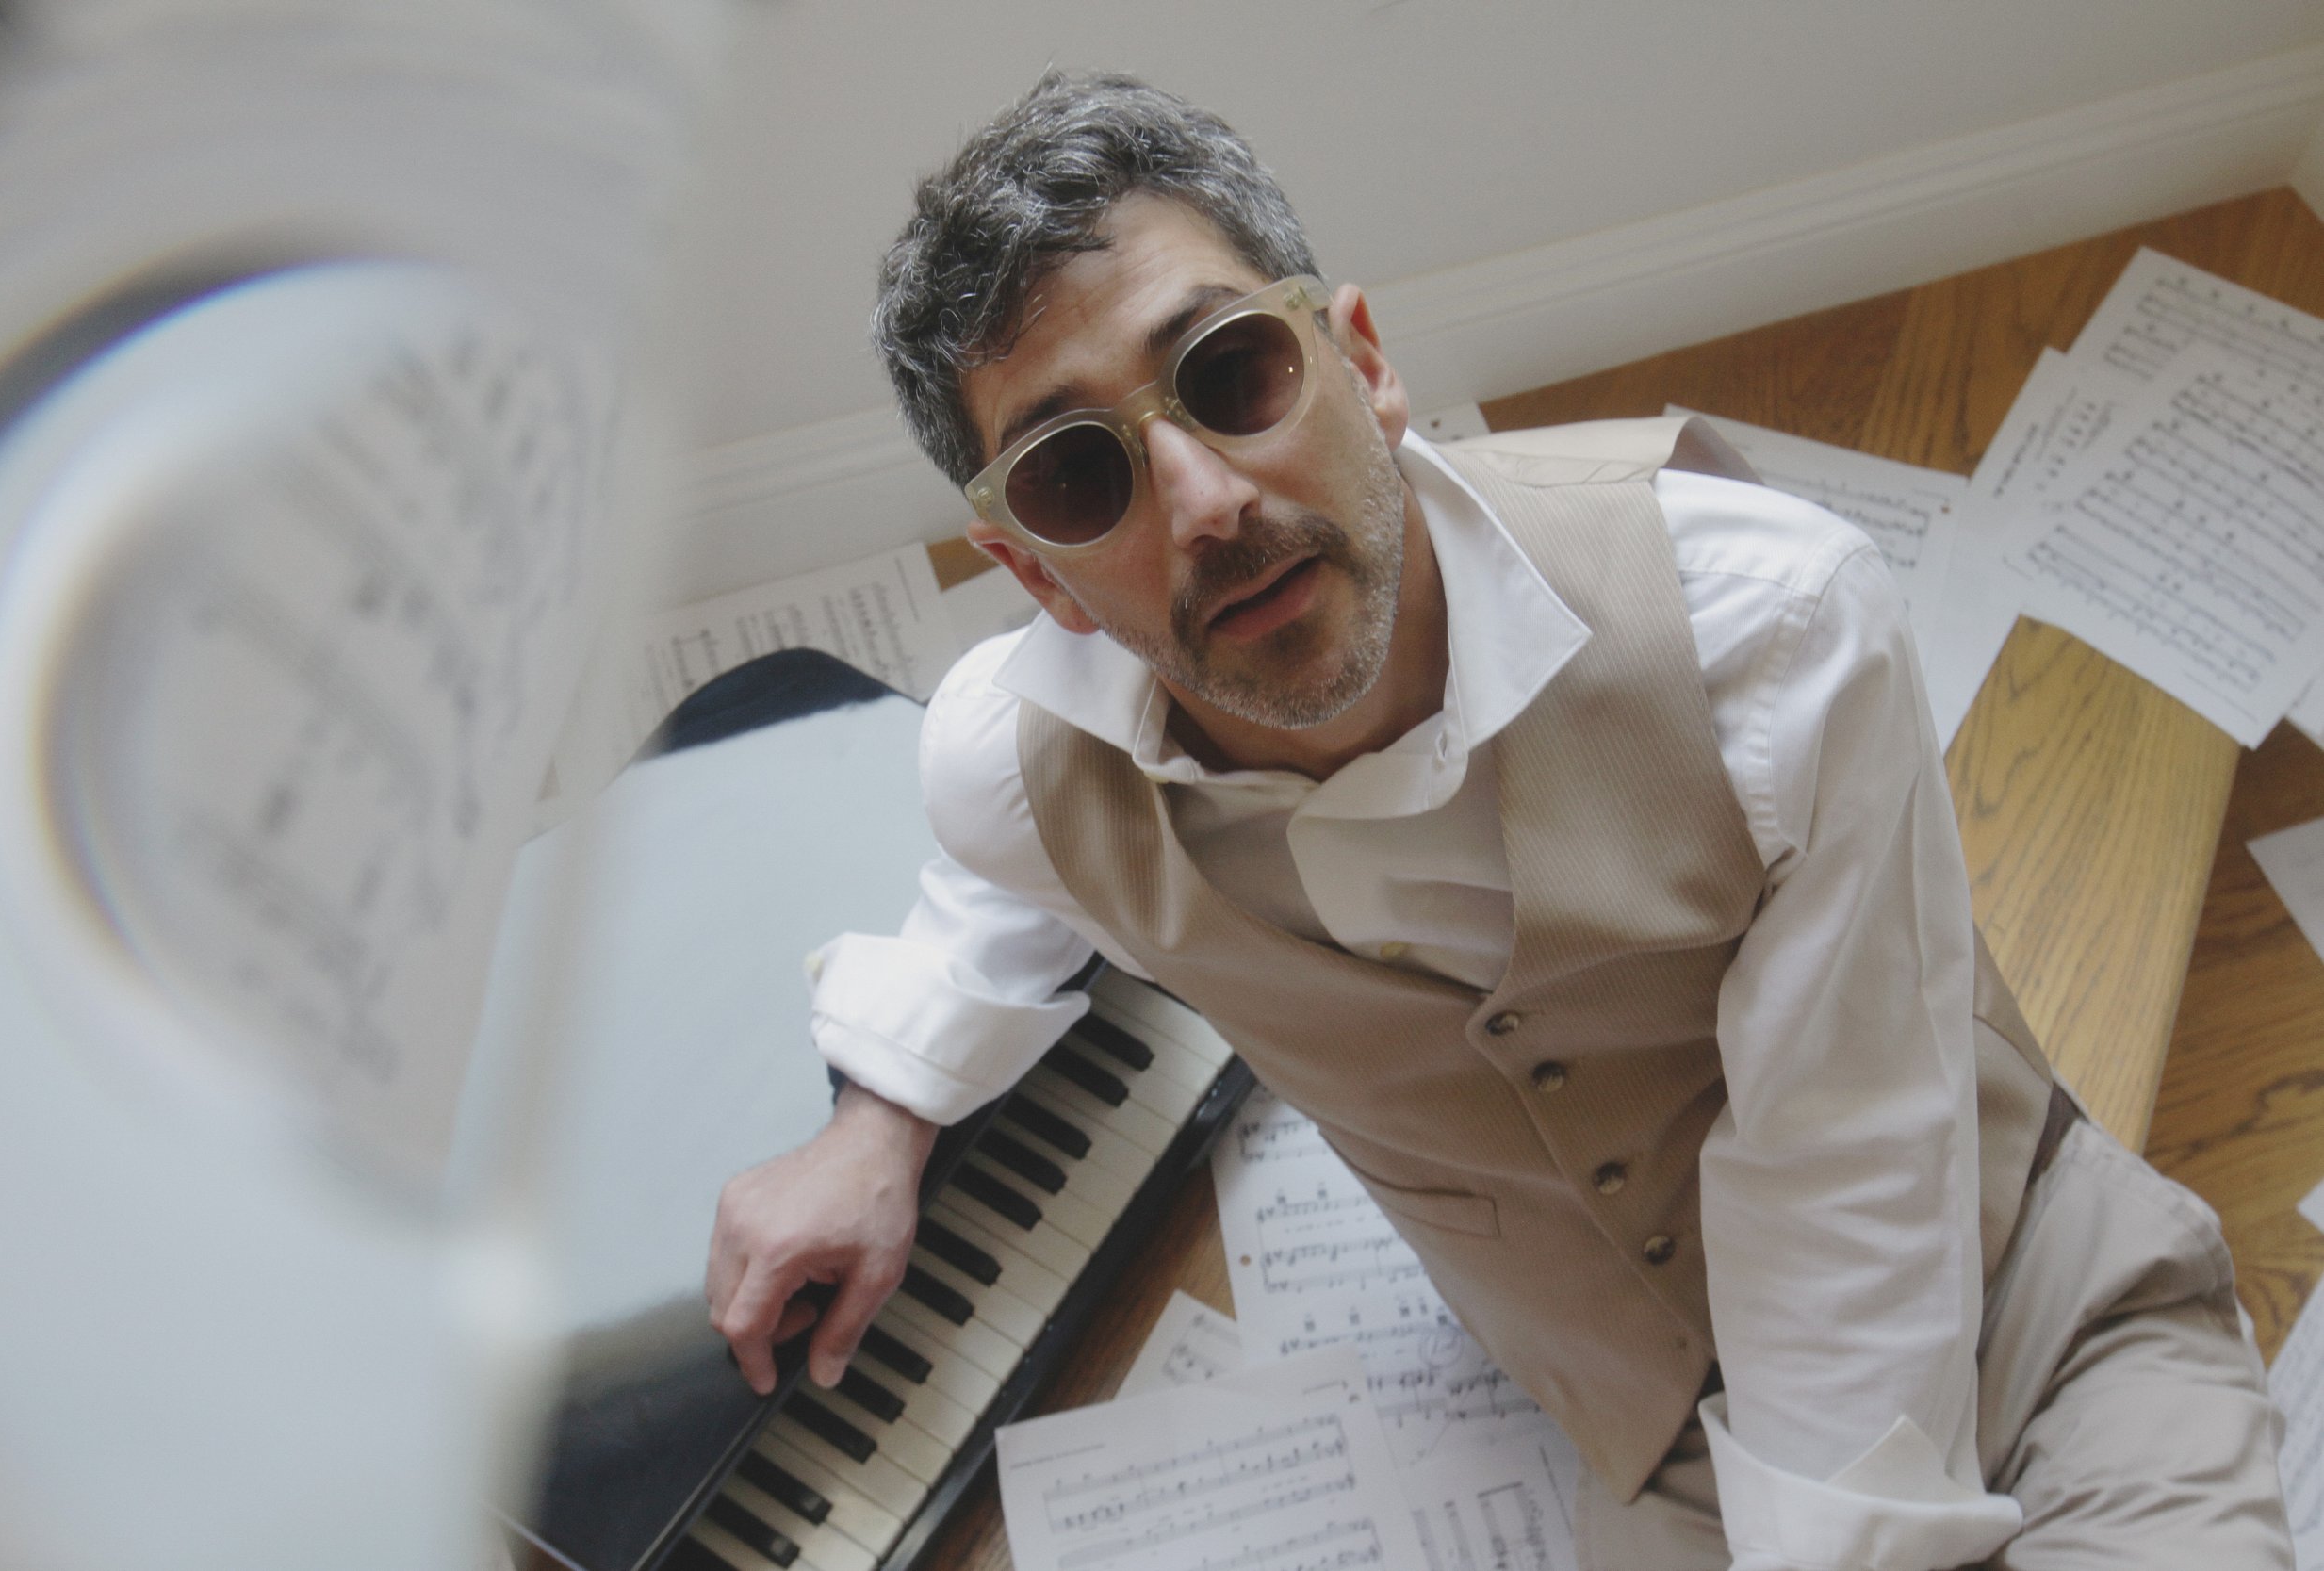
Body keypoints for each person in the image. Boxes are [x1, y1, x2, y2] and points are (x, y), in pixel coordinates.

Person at [704, 73, 2292, 1569]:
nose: (1202, 499)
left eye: (1232, 373)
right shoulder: (1019, 768)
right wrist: (881, 1119)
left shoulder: (1772, 626)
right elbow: (998, 881)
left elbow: (1848, 1159)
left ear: (1364, 363)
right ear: (1040, 580)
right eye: (1074, 477)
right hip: (1649, 1431)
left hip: (2028, 1291)